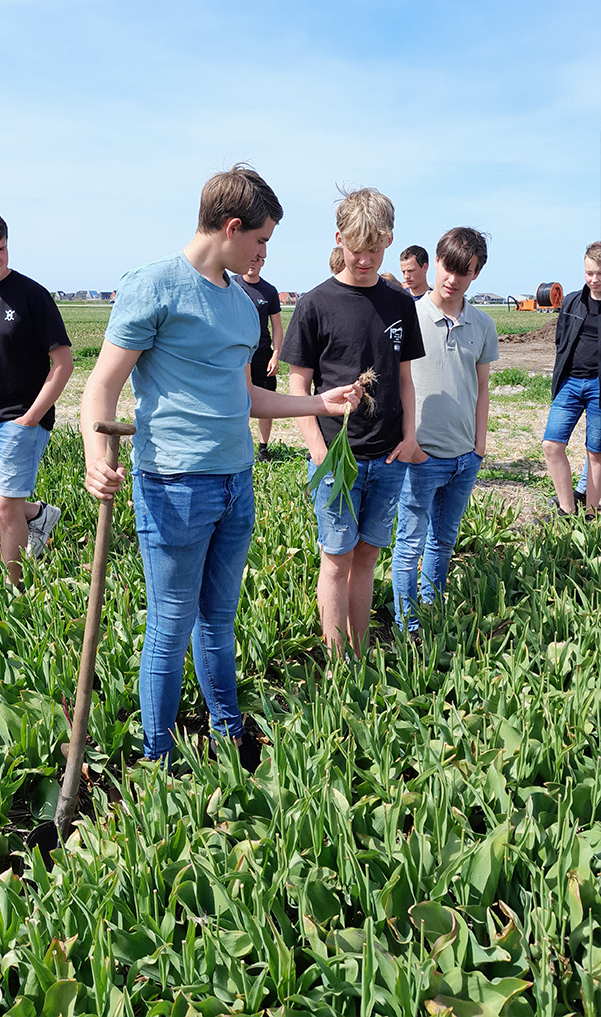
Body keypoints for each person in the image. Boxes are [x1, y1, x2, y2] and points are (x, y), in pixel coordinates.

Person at [80, 165, 361, 770]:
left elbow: (247, 397)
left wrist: (319, 401)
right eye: (260, 240)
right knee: (171, 625)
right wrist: (95, 457)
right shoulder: (153, 287)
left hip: (237, 482)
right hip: (175, 486)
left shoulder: (241, 306)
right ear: (231, 228)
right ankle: (158, 758)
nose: (263, 253)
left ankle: (227, 731)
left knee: (219, 619)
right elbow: (101, 389)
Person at [281, 187, 425, 657]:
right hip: (337, 457)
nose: (364, 260)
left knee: (366, 556)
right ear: (338, 238)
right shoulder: (315, 304)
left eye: (375, 250)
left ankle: (360, 652)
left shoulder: (399, 303)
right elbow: (298, 386)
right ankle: (337, 661)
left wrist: (409, 437)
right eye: (356, 249)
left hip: (388, 457)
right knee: (336, 559)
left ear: (388, 242)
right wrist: (317, 448)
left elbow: (405, 378)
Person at [392, 228, 499, 635]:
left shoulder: (483, 324)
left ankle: (432, 611)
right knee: (410, 544)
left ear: (476, 275)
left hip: (464, 457)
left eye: (465, 272)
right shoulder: (408, 316)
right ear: (435, 263)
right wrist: (408, 443)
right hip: (421, 456)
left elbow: (482, 386)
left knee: (443, 542)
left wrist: (479, 446)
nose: (453, 279)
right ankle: (407, 626)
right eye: (449, 267)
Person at [0, 212, 73, 585]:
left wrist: (31, 418)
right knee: (2, 503)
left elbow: (63, 364)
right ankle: (38, 515)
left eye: (1, 249)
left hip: (19, 419)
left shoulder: (32, 296)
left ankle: (16, 594)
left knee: (5, 507)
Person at [542, 242, 601, 517]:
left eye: (600, 273)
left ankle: (590, 515)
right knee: (552, 445)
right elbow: (561, 340)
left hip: (599, 386)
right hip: (571, 383)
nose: (594, 279)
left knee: (596, 452)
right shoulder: (572, 302)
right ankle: (567, 510)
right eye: (589, 273)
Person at [232, 255, 283, 462]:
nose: (252, 262)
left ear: (263, 262)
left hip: (262, 354)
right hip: (237, 354)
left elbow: (277, 327)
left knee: (266, 400)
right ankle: (237, 444)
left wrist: (276, 355)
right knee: (235, 400)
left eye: (258, 259)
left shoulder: (269, 291)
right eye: (250, 258)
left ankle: (263, 448)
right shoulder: (232, 284)